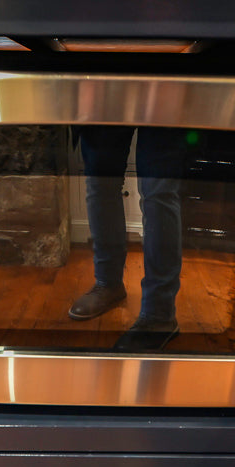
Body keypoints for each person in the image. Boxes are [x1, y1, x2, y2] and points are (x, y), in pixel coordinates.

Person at [68, 125, 187, 351]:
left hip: (165, 92)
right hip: (104, 92)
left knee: (158, 191)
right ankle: (107, 283)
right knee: (100, 182)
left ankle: (159, 314)